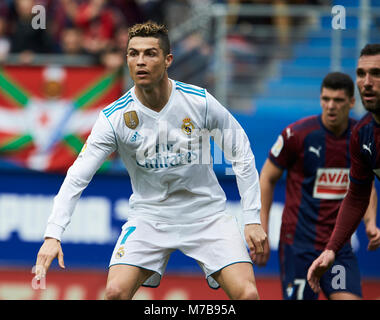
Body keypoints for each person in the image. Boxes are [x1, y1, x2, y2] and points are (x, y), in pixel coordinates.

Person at [34, 21, 267, 300]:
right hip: (150, 217)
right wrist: (52, 234)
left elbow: (241, 152)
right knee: (115, 292)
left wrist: (252, 219)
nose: (140, 61)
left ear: (168, 60)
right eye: (133, 54)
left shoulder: (200, 102)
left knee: (248, 295)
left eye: (150, 53)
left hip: (207, 215)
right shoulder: (114, 118)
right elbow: (77, 176)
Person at [258, 71, 379, 300]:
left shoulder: (362, 136)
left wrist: (371, 222)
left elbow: (367, 186)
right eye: (326, 99)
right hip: (299, 247)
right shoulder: (297, 135)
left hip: (338, 248)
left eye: (338, 100)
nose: (331, 106)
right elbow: (266, 177)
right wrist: (262, 228)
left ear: (352, 102)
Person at [308, 44, 380, 294]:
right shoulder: (363, 134)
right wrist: (332, 249)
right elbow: (358, 195)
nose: (367, 82)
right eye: (361, 74)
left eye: (377, 73)